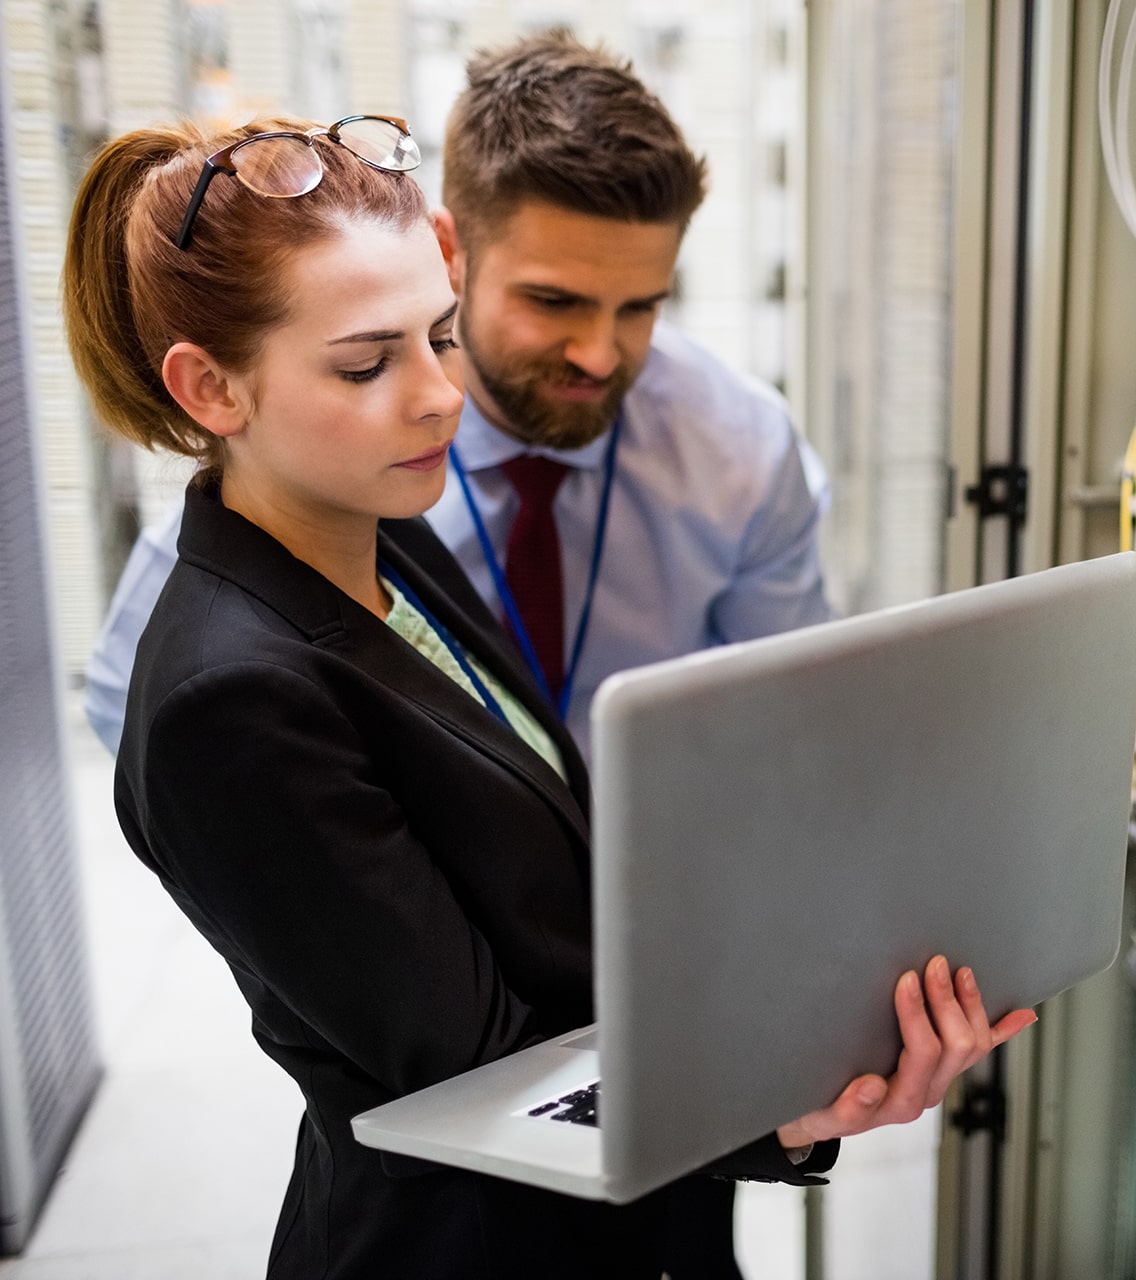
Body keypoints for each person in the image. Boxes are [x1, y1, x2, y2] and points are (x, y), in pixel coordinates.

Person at [61, 112, 1031, 1279]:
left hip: (625, 1211)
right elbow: (487, 1074)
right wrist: (785, 1104)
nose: (438, 398)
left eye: (440, 337)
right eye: (367, 364)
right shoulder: (227, 702)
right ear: (210, 387)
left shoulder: (374, 533)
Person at [84, 32, 834, 761]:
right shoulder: (327, 458)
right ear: (450, 253)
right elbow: (143, 704)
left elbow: (793, 715)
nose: (601, 354)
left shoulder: (745, 447)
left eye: (640, 308)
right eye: (554, 301)